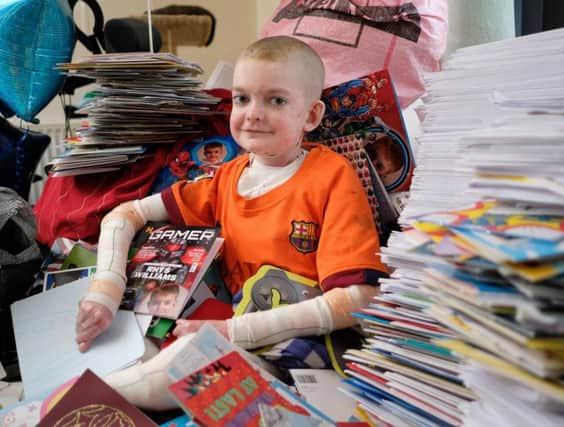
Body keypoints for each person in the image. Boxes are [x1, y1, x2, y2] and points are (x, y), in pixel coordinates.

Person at [75, 35, 388, 410]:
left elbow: (357, 299)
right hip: (233, 329)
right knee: (132, 340)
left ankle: (74, 402)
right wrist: (105, 293)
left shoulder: (331, 177)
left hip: (306, 347)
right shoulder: (226, 178)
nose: (253, 113)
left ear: (311, 116)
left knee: (191, 362)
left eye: (276, 100)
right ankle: (94, 396)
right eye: (242, 98)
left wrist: (233, 332)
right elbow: (126, 214)